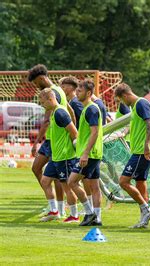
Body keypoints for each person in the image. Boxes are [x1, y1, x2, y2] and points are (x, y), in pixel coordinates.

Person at [28, 64, 74, 217]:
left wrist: (36, 143)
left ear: (41, 79)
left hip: (55, 139)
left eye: (35, 83)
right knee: (42, 171)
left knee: (56, 176)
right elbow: (71, 110)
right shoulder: (58, 89)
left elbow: (47, 121)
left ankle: (57, 208)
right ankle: (55, 207)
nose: (36, 86)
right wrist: (73, 128)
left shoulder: (50, 94)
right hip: (54, 138)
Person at [114, 83, 150, 229]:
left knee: (123, 181)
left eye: (121, 100)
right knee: (140, 183)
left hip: (141, 151)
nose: (122, 103)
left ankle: (146, 209)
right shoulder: (135, 106)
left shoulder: (141, 103)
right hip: (139, 150)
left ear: (125, 95)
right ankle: (144, 219)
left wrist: (146, 145)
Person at [38, 89, 79, 223]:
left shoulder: (60, 112)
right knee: (45, 181)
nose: (42, 105)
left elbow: (74, 133)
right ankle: (54, 211)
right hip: (55, 157)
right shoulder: (54, 112)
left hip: (65, 157)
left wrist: (77, 152)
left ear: (50, 99)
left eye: (43, 102)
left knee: (67, 187)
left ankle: (74, 215)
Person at [67, 79, 104, 226]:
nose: (77, 93)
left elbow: (94, 133)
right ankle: (98, 218)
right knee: (94, 187)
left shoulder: (91, 109)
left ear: (89, 93)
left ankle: (89, 213)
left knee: (72, 181)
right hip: (93, 154)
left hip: (90, 154)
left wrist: (85, 153)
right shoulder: (87, 109)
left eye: (80, 91)